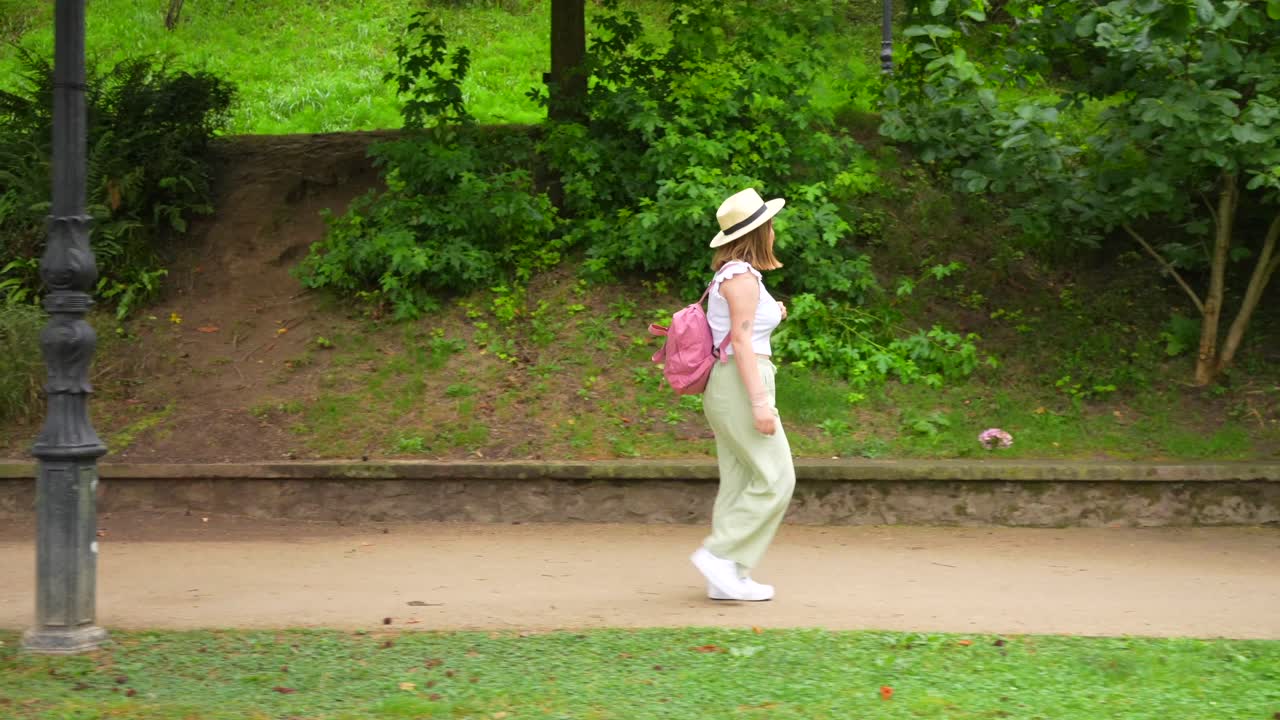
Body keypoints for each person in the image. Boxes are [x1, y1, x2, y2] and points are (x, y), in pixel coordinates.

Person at [690, 188, 797, 602]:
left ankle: (727, 575)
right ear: (760, 231)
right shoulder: (743, 280)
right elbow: (741, 340)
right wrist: (759, 403)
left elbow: (743, 327)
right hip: (740, 383)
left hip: (727, 382)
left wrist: (775, 313)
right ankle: (719, 555)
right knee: (777, 477)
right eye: (770, 226)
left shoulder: (733, 277)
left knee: (741, 478)